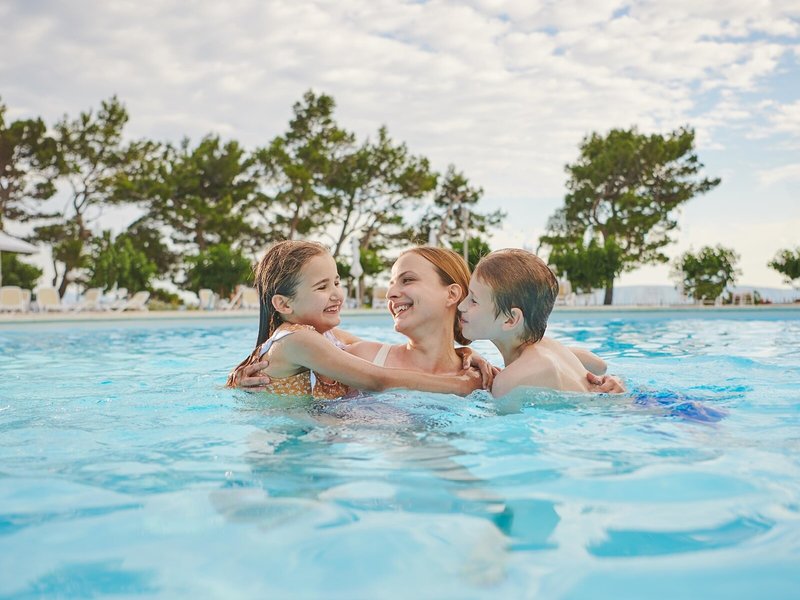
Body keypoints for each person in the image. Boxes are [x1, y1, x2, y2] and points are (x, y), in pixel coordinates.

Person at [226, 240, 481, 398]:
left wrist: (467, 353)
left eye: (336, 283)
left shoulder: (323, 337)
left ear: (452, 295)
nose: (337, 294)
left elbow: (376, 352)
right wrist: (459, 385)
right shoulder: (297, 339)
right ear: (284, 304)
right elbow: (378, 379)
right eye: (322, 287)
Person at [458, 248, 625, 398]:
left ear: (510, 319)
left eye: (473, 300)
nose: (461, 306)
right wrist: (611, 380)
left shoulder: (508, 382)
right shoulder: (550, 348)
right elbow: (600, 365)